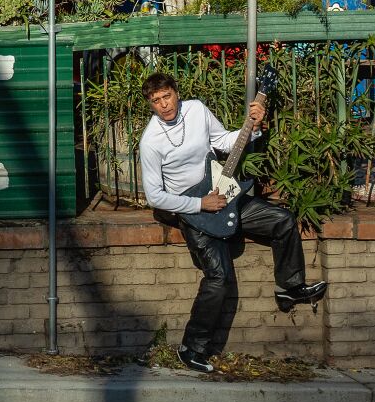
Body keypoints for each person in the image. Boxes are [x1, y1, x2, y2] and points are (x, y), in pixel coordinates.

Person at [136, 71, 326, 373]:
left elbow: (224, 141)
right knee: (219, 278)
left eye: (167, 96)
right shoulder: (151, 142)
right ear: (151, 104)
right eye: (156, 101)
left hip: (221, 191)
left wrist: (252, 126)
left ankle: (289, 286)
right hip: (193, 208)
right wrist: (200, 203)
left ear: (176, 92)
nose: (164, 105)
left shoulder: (196, 109)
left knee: (283, 220)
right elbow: (155, 197)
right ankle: (191, 348)